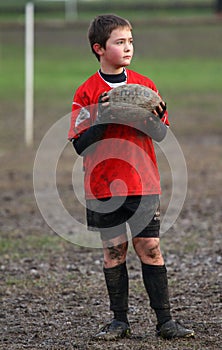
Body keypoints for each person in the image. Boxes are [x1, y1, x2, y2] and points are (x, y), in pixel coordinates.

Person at [68, 14, 194, 341]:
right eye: (119, 42)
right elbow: (80, 145)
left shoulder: (145, 87)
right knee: (114, 251)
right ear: (99, 48)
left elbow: (161, 135)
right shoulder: (87, 92)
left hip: (142, 183)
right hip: (102, 186)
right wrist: (104, 116)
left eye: (130, 41)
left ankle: (165, 322)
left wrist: (152, 116)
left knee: (150, 247)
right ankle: (119, 321)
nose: (128, 48)